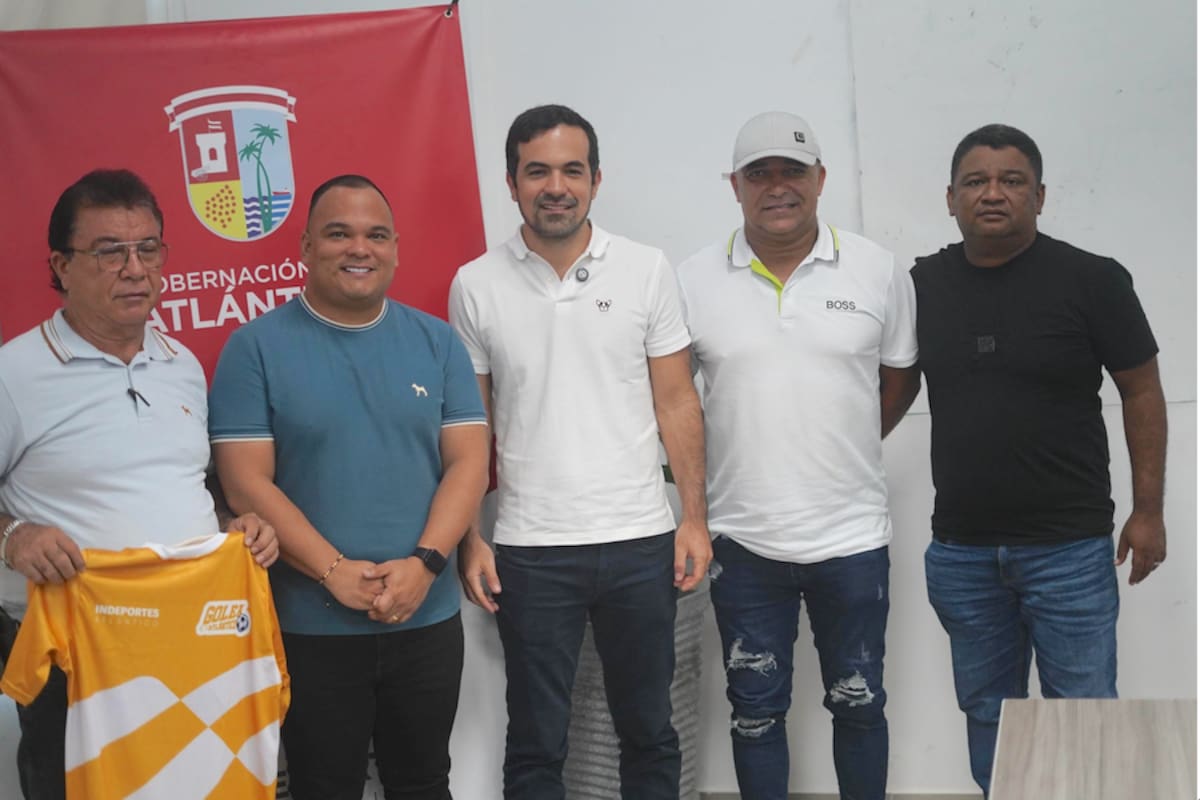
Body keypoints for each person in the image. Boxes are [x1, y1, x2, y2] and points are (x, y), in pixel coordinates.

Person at [448, 104, 711, 800]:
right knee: (536, 741)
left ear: (596, 178)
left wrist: (693, 518)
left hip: (639, 541)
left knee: (650, 731)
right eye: (538, 171)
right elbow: (469, 424)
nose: (555, 186)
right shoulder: (475, 284)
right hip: (531, 548)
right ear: (511, 182)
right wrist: (469, 535)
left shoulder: (647, 270)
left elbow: (677, 402)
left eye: (572, 170)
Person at [208, 174, 489, 800]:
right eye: (339, 233)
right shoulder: (253, 348)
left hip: (426, 614)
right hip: (310, 623)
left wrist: (425, 564)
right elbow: (243, 479)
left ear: (395, 249)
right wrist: (331, 570)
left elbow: (468, 463)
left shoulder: (438, 342)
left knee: (422, 782)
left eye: (375, 235)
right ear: (306, 248)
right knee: (322, 786)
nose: (359, 248)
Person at [0, 168, 278, 800]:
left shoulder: (181, 364)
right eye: (108, 251)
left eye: (148, 248)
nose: (134, 268)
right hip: (74, 655)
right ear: (61, 265)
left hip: (191, 642)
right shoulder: (14, 374)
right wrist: (14, 535)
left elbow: (187, 486)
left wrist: (236, 529)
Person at [911, 123, 1167, 794]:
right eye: (976, 181)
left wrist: (1149, 512)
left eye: (1011, 180)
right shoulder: (921, 285)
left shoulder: (1093, 281)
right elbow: (878, 392)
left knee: (1084, 714)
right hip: (963, 555)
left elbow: (1142, 391)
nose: (993, 194)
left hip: (1069, 551)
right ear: (949, 197)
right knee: (989, 717)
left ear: (1041, 196)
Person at [676, 111, 919, 800]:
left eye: (793, 171)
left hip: (853, 538)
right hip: (744, 541)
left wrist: (843, 440)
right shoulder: (692, 280)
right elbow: (670, 397)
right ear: (734, 185)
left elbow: (901, 374)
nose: (777, 187)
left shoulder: (875, 269)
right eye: (759, 173)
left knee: (860, 703)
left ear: (820, 180)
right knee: (754, 714)